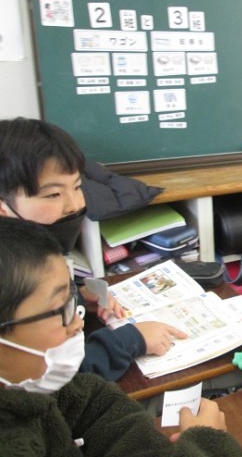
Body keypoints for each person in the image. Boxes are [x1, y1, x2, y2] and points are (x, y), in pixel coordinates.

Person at [0, 216, 242, 456]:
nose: (77, 323)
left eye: (72, 298)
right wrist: (209, 446)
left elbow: (92, 404)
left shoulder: (33, 388)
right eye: (60, 309)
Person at [0, 117, 187, 381]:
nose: (75, 205)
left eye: (77, 187)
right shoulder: (11, 275)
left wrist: (74, 296)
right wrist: (132, 340)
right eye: (53, 194)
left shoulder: (25, 250)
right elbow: (57, 378)